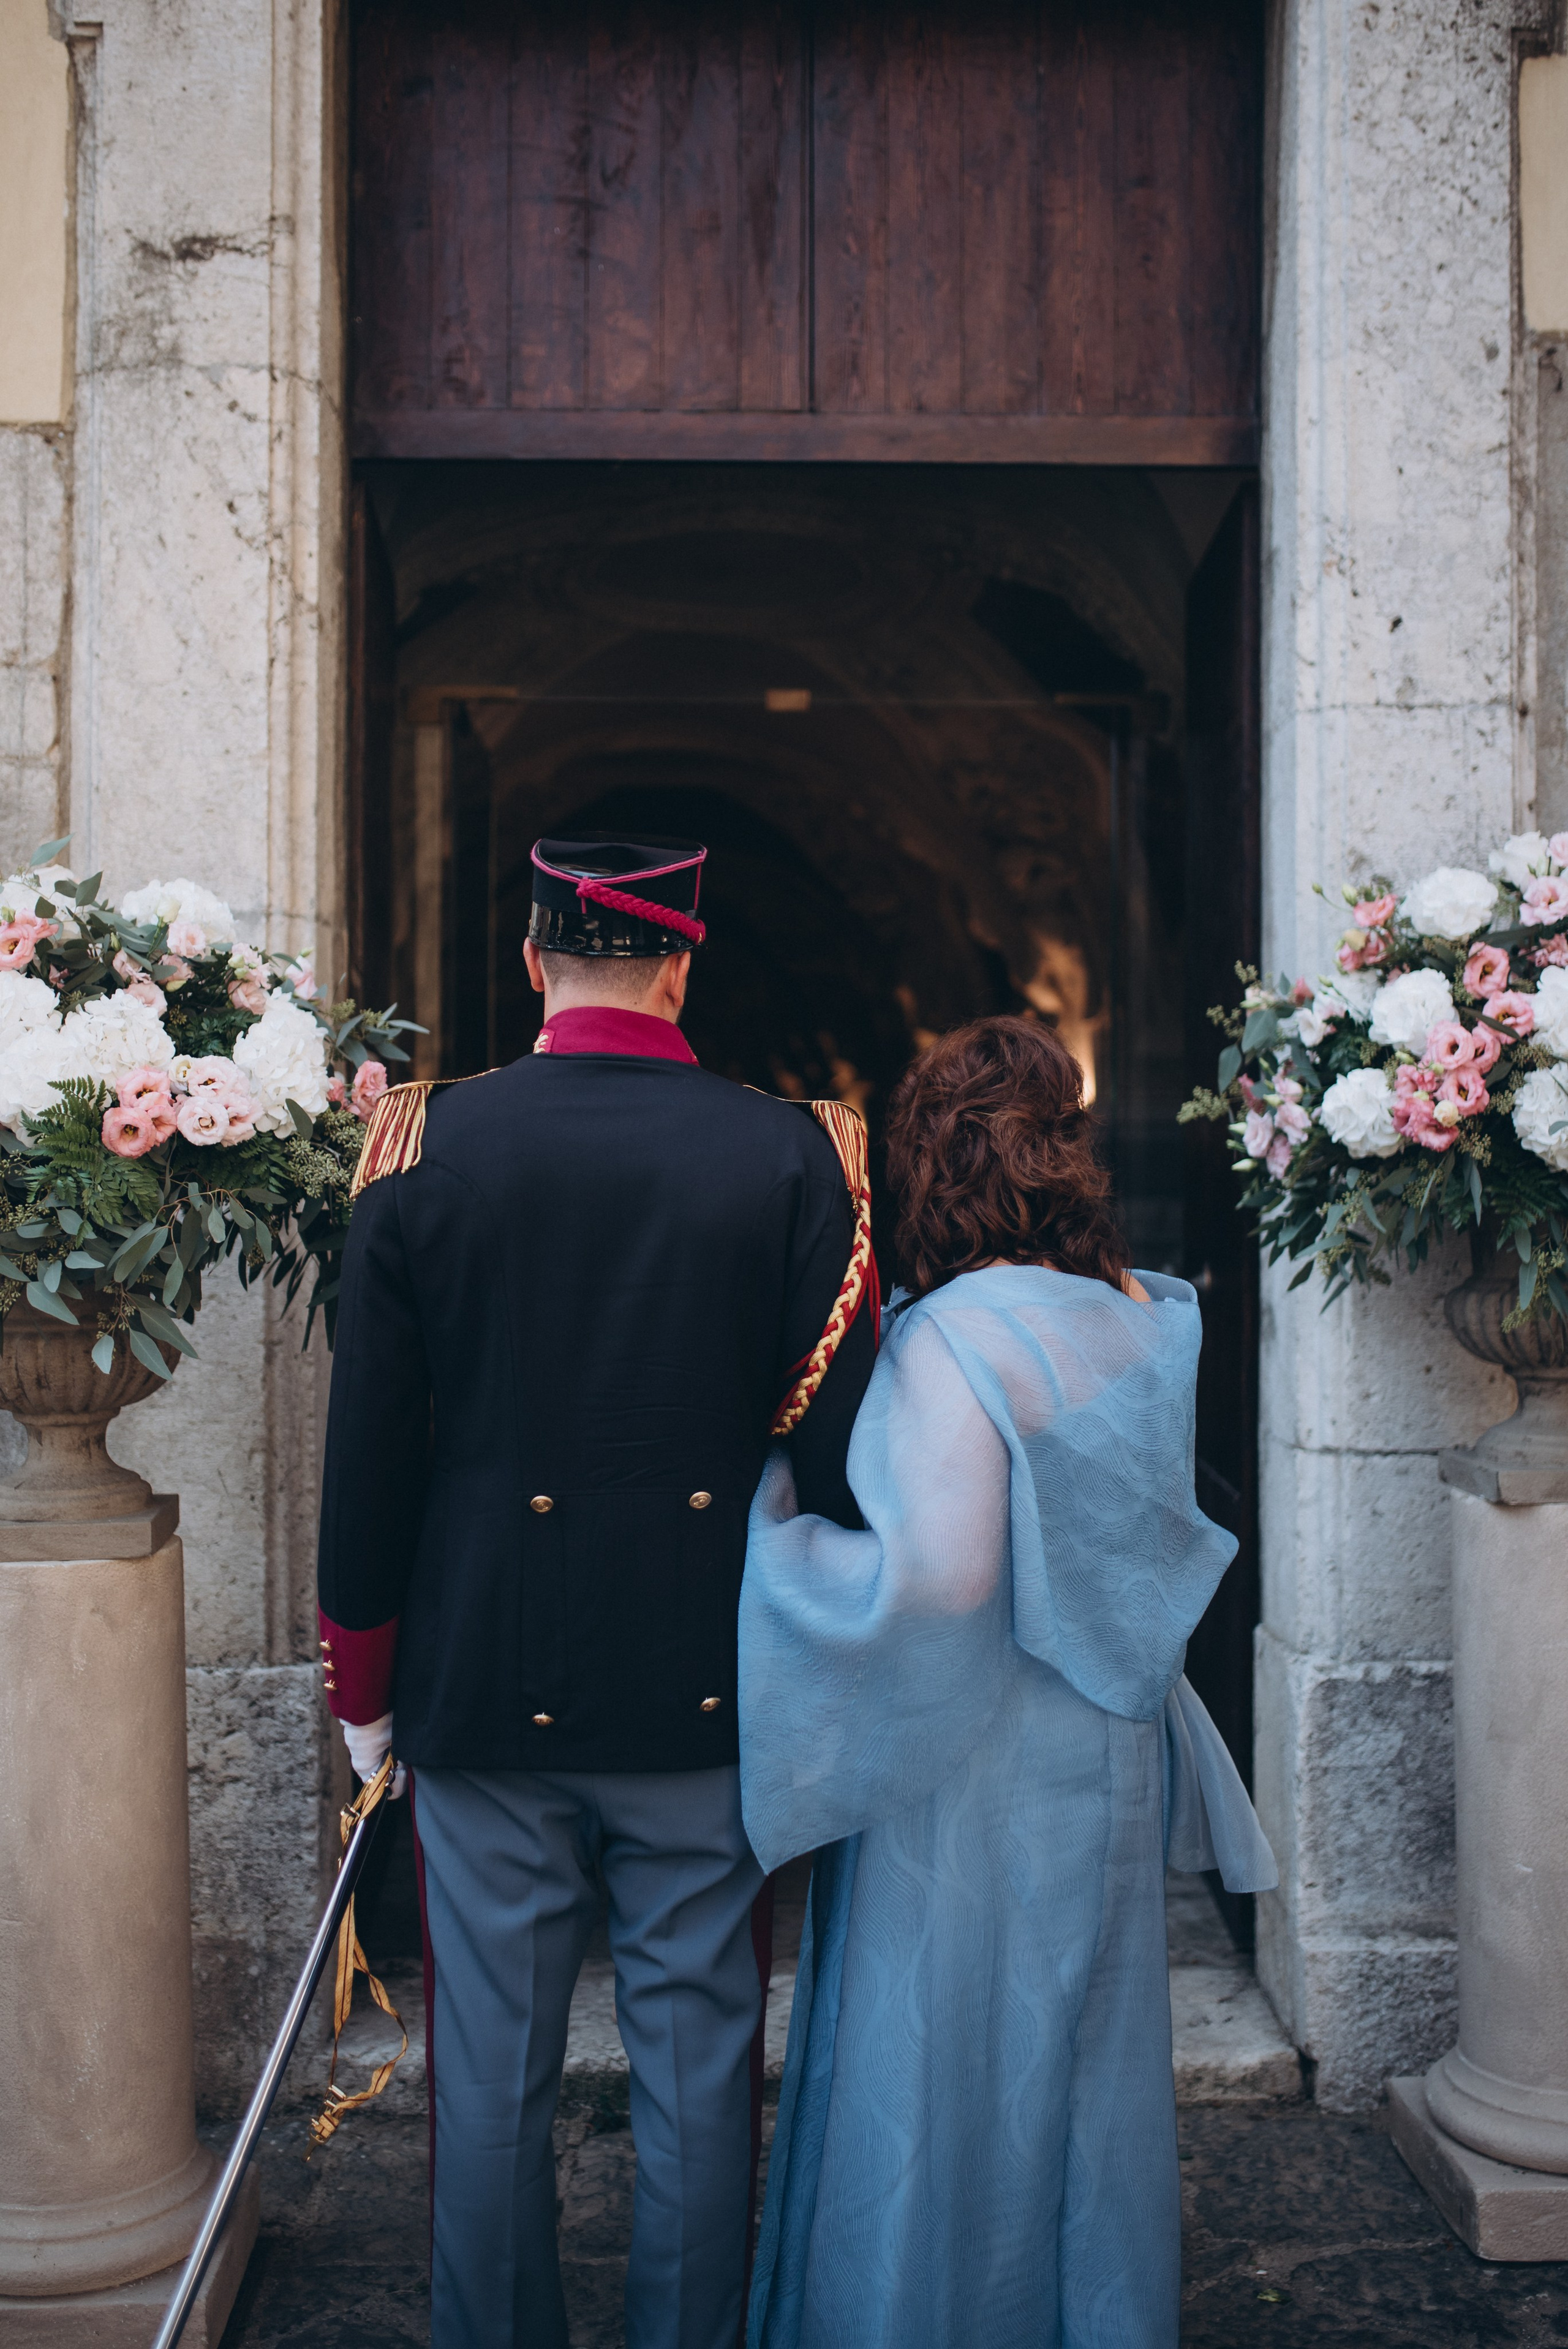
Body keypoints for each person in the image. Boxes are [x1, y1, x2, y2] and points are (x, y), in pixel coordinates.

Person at [315, 836, 876, 2349]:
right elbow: (837, 1462)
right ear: (681, 963)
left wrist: (363, 1692)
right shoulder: (795, 1152)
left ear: (530, 963)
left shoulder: (423, 1146)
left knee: (487, 2076)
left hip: (485, 1679)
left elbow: (366, 1458)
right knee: (698, 2071)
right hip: (709, 1686)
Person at [739, 1015, 1276, 2349]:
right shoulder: (1138, 1317)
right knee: (1085, 2064)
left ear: (931, 1162)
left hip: (965, 1754)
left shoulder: (946, 1338)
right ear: (1062, 1152)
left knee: (940, 2067)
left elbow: (942, 1579)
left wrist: (770, 1541)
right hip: (1107, 1743)